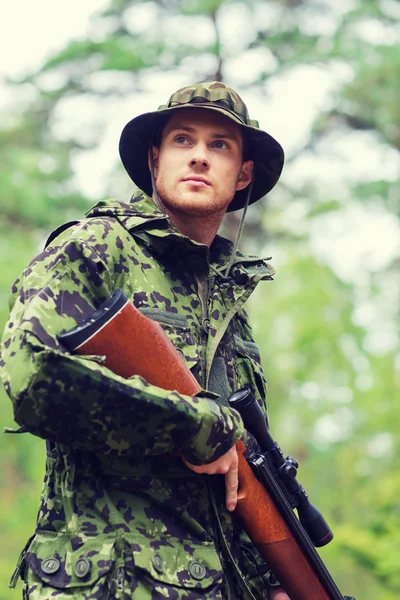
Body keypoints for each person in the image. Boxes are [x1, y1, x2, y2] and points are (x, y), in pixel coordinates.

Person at [1, 81, 289, 599]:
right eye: (184, 140)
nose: (200, 157)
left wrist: (271, 582)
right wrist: (194, 424)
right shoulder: (95, 247)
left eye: (220, 145)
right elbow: (30, 373)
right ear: (156, 159)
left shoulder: (231, 308)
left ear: (243, 173)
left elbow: (234, 475)